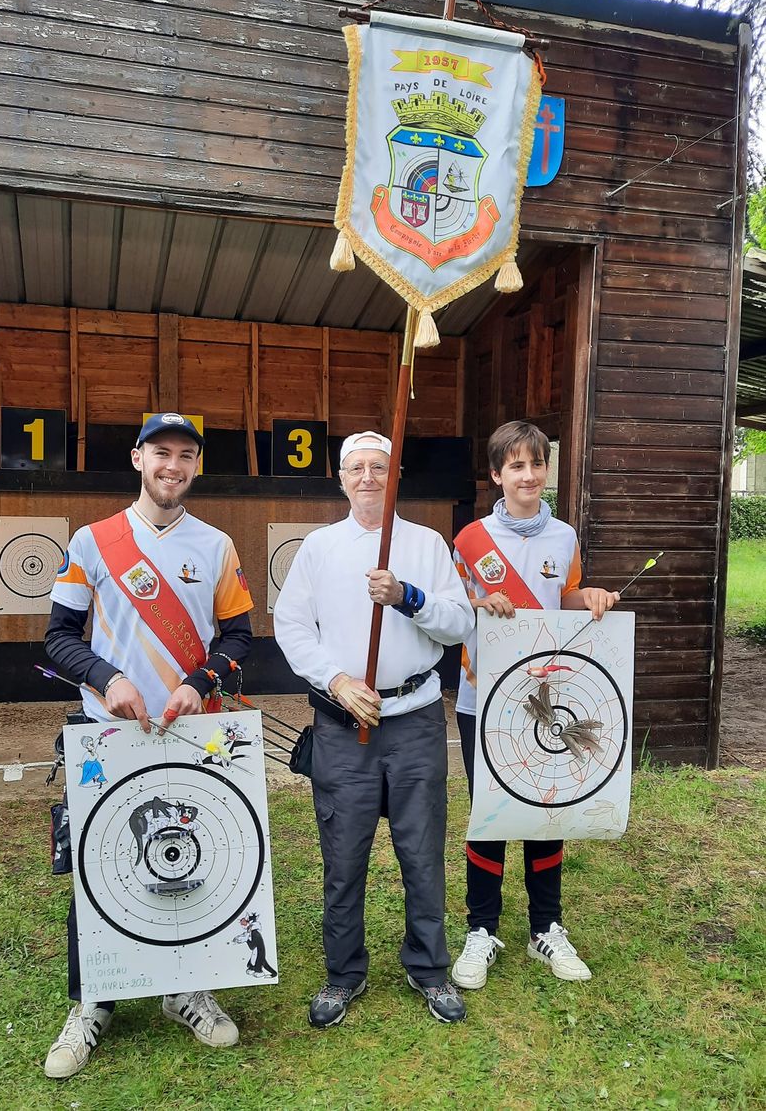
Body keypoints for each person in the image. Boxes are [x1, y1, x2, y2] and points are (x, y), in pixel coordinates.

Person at [43, 412, 254, 1079]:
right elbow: (58, 639)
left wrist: (201, 681)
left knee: (192, 859)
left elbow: (239, 637)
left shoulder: (217, 545)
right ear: (137, 459)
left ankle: (185, 990)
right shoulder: (92, 541)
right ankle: (94, 1002)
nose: (173, 465)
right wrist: (107, 678)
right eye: (160, 452)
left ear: (195, 467)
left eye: (185, 455)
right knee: (99, 866)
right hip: (108, 734)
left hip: (191, 733)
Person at [274, 430, 474, 1027]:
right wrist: (336, 680)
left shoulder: (426, 544)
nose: (367, 477)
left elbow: (459, 622)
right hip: (343, 724)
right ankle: (343, 973)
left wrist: (407, 596)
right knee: (343, 854)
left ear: (395, 476)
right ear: (341, 478)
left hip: (413, 721)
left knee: (421, 852)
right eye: (356, 467)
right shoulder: (319, 547)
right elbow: (292, 626)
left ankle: (429, 968)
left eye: (379, 467)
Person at [450, 420, 619, 991]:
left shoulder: (565, 537)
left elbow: (565, 598)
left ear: (546, 470)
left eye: (537, 464)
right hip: (484, 700)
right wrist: (480, 599)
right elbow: (454, 608)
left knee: (550, 807)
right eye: (515, 466)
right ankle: (482, 928)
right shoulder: (469, 538)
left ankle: (546, 925)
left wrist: (588, 596)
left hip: (550, 700)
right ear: (497, 474)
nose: (528, 475)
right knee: (490, 813)